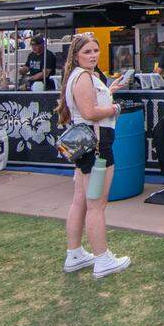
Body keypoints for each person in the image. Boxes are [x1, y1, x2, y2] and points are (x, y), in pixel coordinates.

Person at [57, 34, 131, 278]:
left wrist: (108, 91)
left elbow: (86, 105)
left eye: (95, 50)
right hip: (97, 144)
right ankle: (102, 259)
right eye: (87, 51)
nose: (93, 55)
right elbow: (89, 112)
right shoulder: (84, 77)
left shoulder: (81, 77)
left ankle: (75, 253)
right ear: (76, 55)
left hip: (87, 144)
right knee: (96, 204)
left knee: (81, 199)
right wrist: (115, 108)